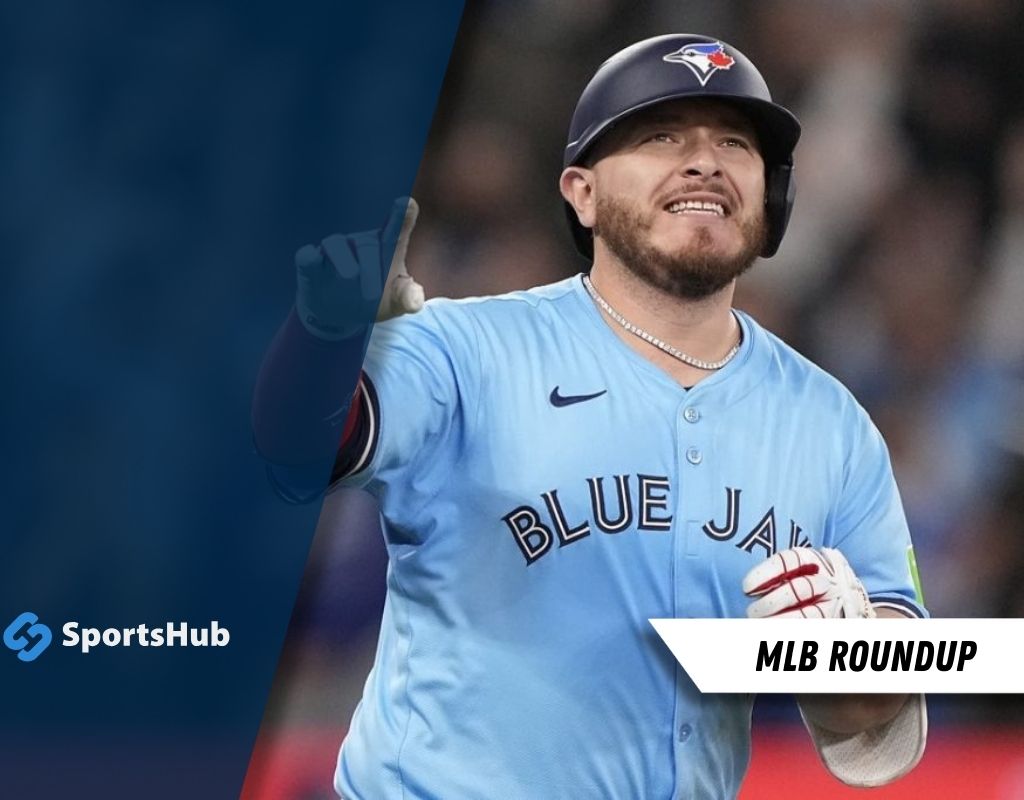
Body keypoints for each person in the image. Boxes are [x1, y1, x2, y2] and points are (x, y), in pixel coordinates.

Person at [253, 34, 927, 800]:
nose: (704, 160)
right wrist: (324, 338)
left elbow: (879, 724)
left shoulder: (831, 426)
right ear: (581, 191)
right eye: (661, 135)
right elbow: (296, 443)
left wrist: (842, 659)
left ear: (772, 197)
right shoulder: (466, 349)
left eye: (734, 142)